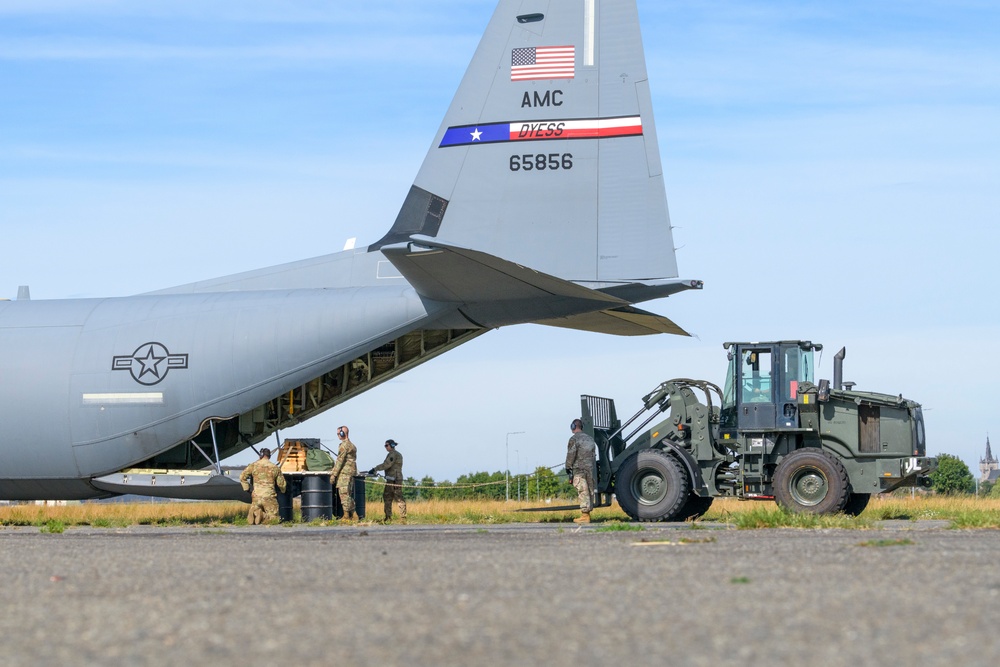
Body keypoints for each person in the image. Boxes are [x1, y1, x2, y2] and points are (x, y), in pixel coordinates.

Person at [239, 448, 287, 525]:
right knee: (274, 519)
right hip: (269, 496)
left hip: (256, 496)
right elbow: (281, 484)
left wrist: (247, 489)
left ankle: (257, 513)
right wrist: (283, 490)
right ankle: (264, 516)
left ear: (261, 455)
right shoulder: (274, 467)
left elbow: (242, 477)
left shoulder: (253, 465)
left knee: (256, 512)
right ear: (269, 456)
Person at [565, 419, 596, 523]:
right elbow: (593, 455)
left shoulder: (574, 439)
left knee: (582, 490)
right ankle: (587, 513)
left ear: (573, 426)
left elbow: (571, 454)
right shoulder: (590, 439)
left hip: (579, 469)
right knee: (590, 490)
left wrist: (568, 467)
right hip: (589, 468)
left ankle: (585, 515)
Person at [368, 439, 406, 522]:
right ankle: (388, 517)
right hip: (390, 479)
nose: (385, 447)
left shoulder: (393, 454)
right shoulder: (393, 454)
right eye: (385, 445)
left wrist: (375, 469)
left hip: (395, 480)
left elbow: (387, 465)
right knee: (387, 497)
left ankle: (403, 518)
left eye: (386, 445)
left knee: (398, 498)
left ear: (392, 445)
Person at [330, 425, 358, 520]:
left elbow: (340, 461)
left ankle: (346, 516)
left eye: (339, 433)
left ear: (343, 433)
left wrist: (334, 475)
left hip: (344, 473)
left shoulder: (344, 445)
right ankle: (354, 514)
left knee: (344, 494)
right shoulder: (352, 445)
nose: (338, 435)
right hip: (350, 473)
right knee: (348, 494)